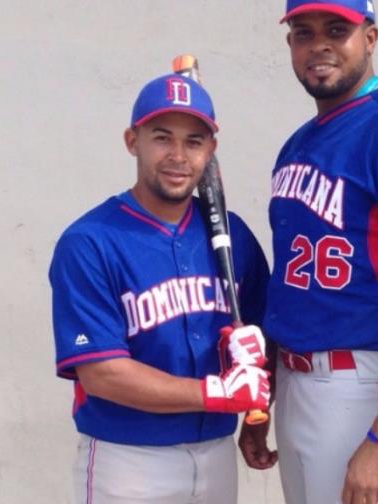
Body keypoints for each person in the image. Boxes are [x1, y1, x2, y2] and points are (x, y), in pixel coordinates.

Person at [238, 1, 378, 503]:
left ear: (370, 37)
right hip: (297, 383)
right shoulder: (298, 144)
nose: (318, 45)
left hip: (367, 387)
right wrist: (264, 395)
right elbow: (292, 289)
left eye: (336, 29)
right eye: (304, 32)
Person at [49, 72, 271, 504]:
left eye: (193, 141)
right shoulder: (90, 242)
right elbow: (102, 374)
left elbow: (266, 333)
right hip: (128, 461)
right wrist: (217, 392)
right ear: (132, 141)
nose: (178, 156)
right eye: (162, 138)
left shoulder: (232, 235)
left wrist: (257, 392)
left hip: (217, 452)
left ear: (211, 150)